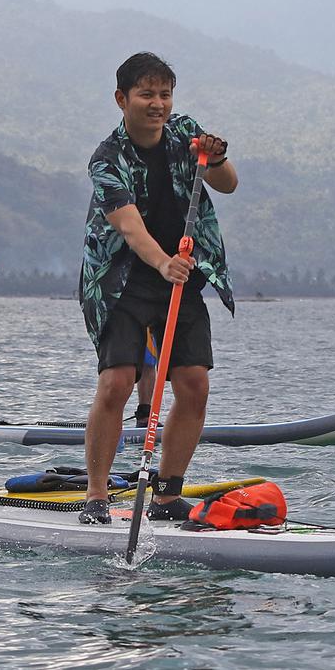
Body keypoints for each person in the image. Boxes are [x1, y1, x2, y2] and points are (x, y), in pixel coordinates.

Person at [78, 52, 238, 524]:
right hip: (120, 281)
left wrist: (218, 156)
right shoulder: (107, 159)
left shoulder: (186, 132)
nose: (158, 104)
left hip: (182, 274)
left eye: (165, 94)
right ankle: (96, 495)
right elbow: (128, 228)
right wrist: (163, 262)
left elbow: (227, 184)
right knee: (117, 383)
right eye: (147, 95)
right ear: (121, 99)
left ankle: (166, 495)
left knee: (195, 383)